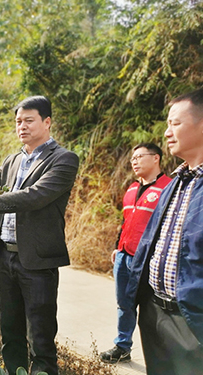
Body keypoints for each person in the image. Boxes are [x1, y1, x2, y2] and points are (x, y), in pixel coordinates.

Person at [0, 96, 79, 375]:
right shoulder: (13, 160)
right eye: (18, 121)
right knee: (9, 332)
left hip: (37, 261)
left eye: (29, 120)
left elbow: (34, 196)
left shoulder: (63, 159)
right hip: (5, 257)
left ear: (47, 122)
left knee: (40, 335)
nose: (21, 126)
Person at [126, 87, 203, 374]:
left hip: (192, 322)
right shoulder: (174, 183)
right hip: (155, 314)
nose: (168, 132)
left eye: (176, 123)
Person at [100, 143, 171, 363]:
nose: (134, 161)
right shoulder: (132, 188)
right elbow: (126, 221)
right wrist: (117, 246)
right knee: (124, 304)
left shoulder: (169, 187)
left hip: (149, 260)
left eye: (140, 157)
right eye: (133, 158)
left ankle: (162, 355)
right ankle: (123, 347)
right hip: (124, 255)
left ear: (156, 158)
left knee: (153, 309)